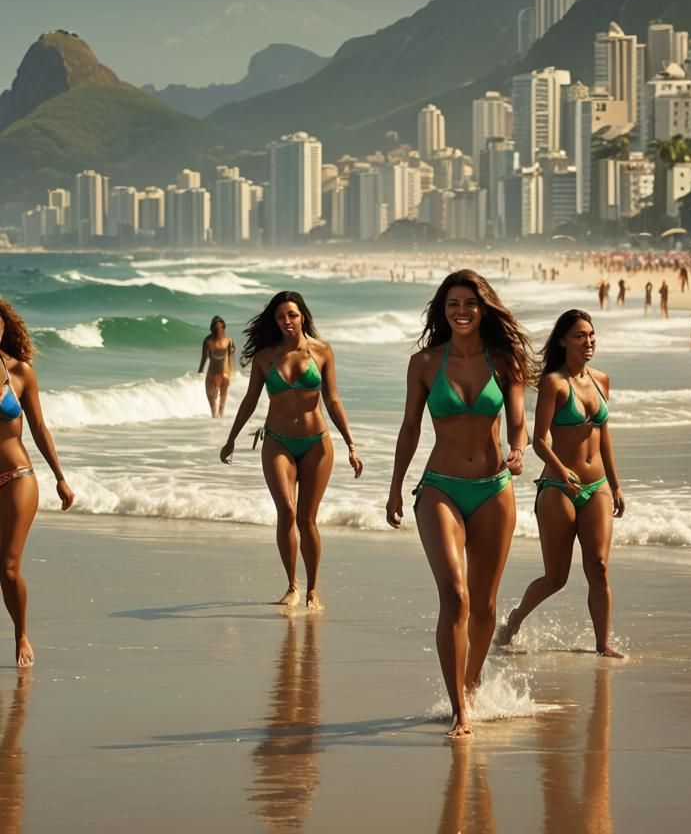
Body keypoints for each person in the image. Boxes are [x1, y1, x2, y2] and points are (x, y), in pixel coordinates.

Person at [386, 270, 530, 738]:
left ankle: (471, 680)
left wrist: (518, 448)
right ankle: (460, 710)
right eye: (452, 304)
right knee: (455, 595)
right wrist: (394, 487)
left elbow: (518, 420)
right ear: (441, 311)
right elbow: (410, 428)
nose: (461, 311)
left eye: (469, 303)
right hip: (440, 487)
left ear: (483, 307)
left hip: (493, 488)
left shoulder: (503, 360)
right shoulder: (425, 363)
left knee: (485, 606)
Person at [220, 292, 362, 611]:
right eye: (281, 316)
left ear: (303, 317)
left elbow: (333, 400)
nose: (287, 321)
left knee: (307, 519)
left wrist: (351, 443)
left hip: (317, 444)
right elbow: (250, 400)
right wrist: (231, 438)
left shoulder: (322, 352)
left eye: (293, 315)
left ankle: (313, 590)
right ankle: (292, 586)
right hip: (277, 442)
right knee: (286, 510)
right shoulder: (265, 357)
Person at [498, 309, 624, 657]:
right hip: (558, 488)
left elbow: (605, 436)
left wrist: (615, 484)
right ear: (564, 340)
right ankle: (515, 619)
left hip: (595, 485)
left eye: (592, 335)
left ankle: (602, 645)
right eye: (581, 335)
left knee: (598, 567)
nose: (588, 342)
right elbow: (538, 440)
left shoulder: (602, 381)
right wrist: (561, 469)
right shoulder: (555, 383)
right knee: (557, 577)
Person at [0, 299, 75, 667]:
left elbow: (40, 429)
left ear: (3, 328)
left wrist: (60, 478)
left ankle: (21, 634)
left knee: (9, 567)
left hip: (17, 477)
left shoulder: (20, 372)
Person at [198, 315, 235, 418]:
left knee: (217, 405)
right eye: (218, 328)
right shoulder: (224, 340)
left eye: (221, 327)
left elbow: (204, 357)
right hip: (219, 374)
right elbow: (204, 357)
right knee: (217, 404)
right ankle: (217, 423)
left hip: (219, 374)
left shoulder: (223, 340)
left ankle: (217, 423)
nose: (220, 330)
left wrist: (200, 370)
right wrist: (200, 371)